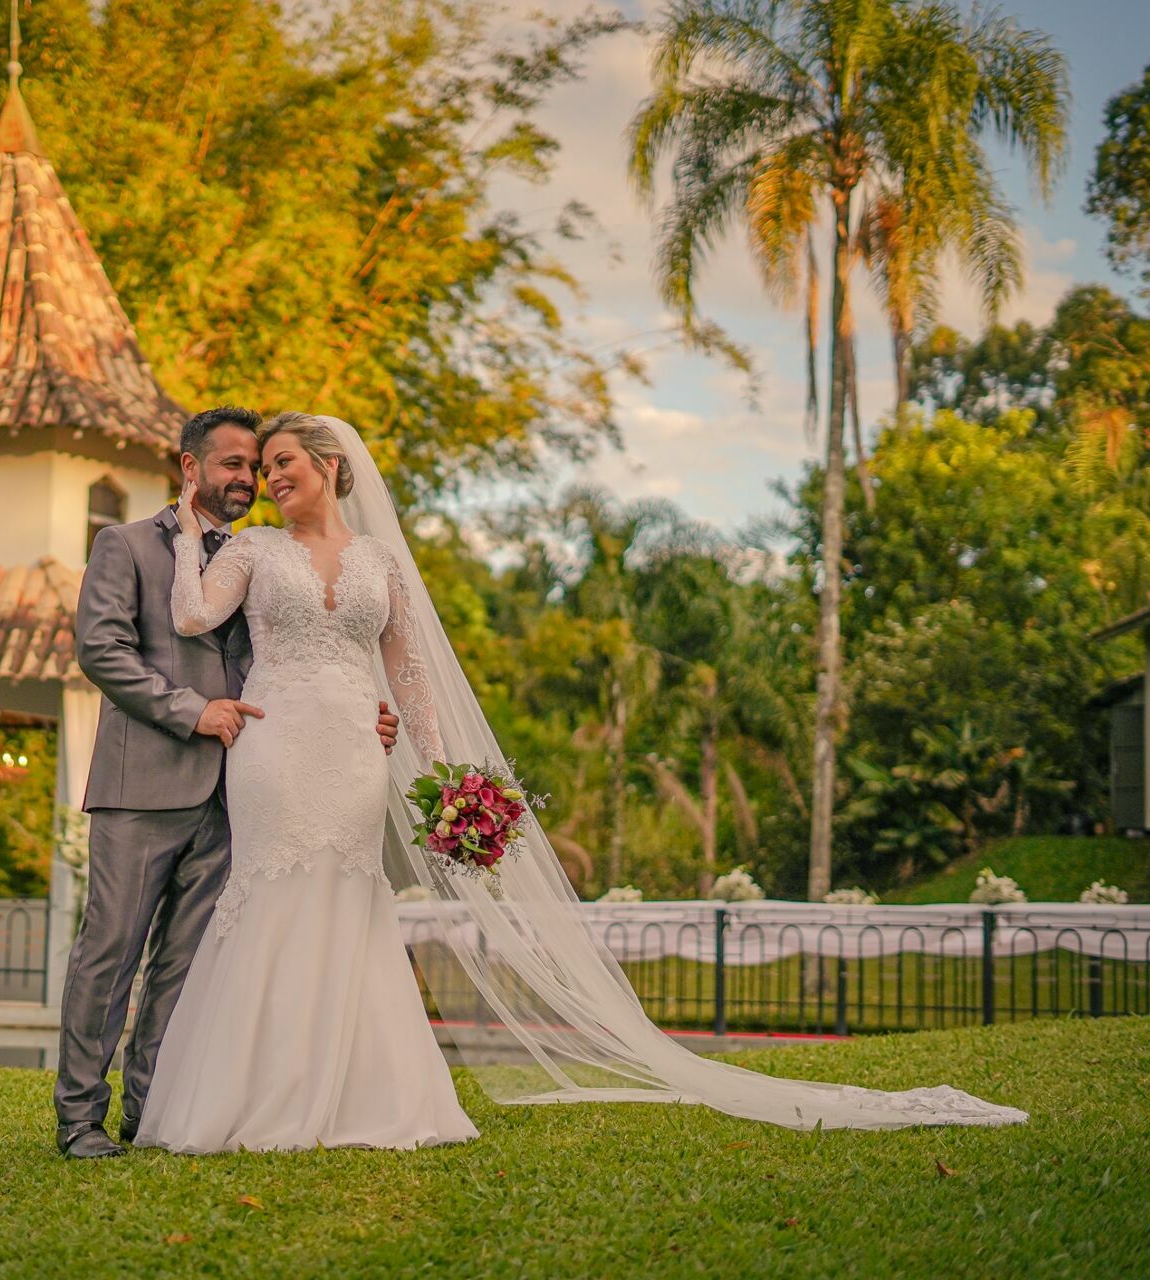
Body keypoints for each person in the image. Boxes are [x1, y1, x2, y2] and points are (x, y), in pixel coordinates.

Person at [135, 413, 1027, 1154]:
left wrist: (446, 777)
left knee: (349, 900)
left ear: (331, 468)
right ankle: (250, 1098)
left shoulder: (383, 564)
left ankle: (355, 1099)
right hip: (273, 747)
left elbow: (407, 677)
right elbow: (191, 614)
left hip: (356, 758)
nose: (270, 477)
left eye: (284, 462)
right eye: (263, 466)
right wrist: (183, 527)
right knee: (274, 896)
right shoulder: (248, 551)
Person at [54, 406, 402, 1160]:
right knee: (110, 951)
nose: (249, 479)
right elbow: (102, 651)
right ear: (191, 467)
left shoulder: (264, 554)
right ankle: (79, 1117)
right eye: (234, 464)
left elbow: (301, 654)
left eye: (257, 467)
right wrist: (192, 711)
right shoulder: (126, 545)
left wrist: (360, 715)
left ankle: (151, 1110)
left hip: (244, 790)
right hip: (143, 781)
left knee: (184, 964)